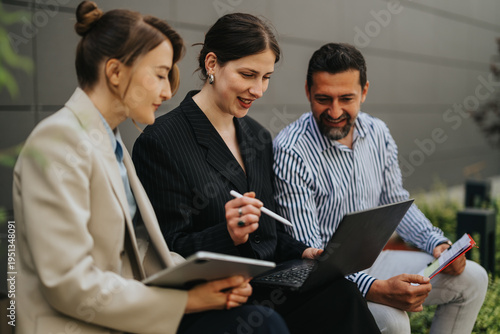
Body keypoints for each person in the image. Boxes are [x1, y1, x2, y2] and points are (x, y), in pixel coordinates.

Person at [13, 2, 290, 333]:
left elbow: (143, 252)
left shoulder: (110, 144)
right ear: (116, 73)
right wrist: (190, 301)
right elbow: (69, 286)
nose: (167, 90)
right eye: (159, 74)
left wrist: (215, 286)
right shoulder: (59, 141)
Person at [133, 13, 380, 334]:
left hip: (264, 285)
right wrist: (229, 233)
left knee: (340, 292)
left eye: (266, 77)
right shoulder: (162, 141)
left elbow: (271, 232)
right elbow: (169, 249)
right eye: (248, 74)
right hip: (209, 297)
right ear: (212, 64)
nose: (258, 89)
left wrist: (303, 251)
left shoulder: (258, 137)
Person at [272, 42, 489, 334]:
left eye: (346, 98)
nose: (334, 111)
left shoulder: (378, 132)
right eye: (323, 98)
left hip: (375, 259)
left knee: (473, 277)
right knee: (392, 321)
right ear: (308, 92)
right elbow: (312, 255)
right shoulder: (290, 151)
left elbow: (395, 200)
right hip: (329, 282)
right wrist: (375, 287)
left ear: (364, 91)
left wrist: (437, 245)